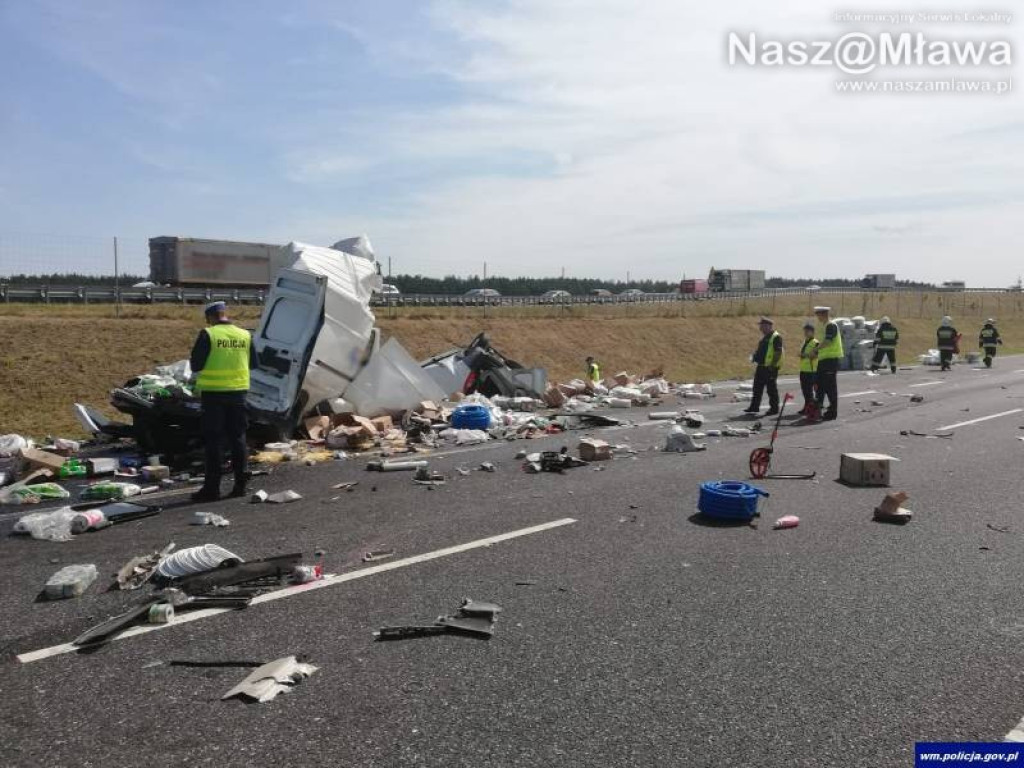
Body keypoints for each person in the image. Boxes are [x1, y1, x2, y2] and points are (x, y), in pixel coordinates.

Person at [189, 301, 257, 502]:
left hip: (214, 394)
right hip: (238, 393)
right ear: (224, 314)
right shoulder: (245, 335)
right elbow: (253, 363)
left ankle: (212, 489)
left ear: (210, 318)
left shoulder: (208, 334)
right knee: (238, 438)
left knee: (214, 441)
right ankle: (241, 484)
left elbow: (195, 365)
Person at [744, 316, 784, 416]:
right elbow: (762, 351)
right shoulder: (765, 337)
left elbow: (778, 352)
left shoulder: (776, 337)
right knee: (757, 388)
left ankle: (774, 408)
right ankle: (754, 407)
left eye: (762, 326)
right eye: (760, 326)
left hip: (770, 367)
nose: (760, 328)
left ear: (768, 326)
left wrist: (772, 365)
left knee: (771, 389)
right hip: (761, 366)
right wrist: (755, 357)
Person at [813, 306, 843, 421]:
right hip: (824, 360)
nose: (817, 317)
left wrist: (816, 350)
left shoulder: (831, 325)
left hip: (831, 360)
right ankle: (818, 409)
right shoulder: (824, 326)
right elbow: (822, 342)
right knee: (820, 385)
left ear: (824, 314)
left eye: (818, 314)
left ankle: (832, 412)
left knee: (830, 387)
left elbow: (828, 342)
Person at [797, 321, 819, 415]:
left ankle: (812, 409)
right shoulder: (805, 342)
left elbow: (815, 355)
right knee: (805, 391)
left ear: (812, 332)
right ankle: (807, 407)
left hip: (811, 370)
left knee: (809, 392)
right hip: (803, 370)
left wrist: (804, 355)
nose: (805, 333)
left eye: (808, 331)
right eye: (805, 331)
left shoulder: (816, 343)